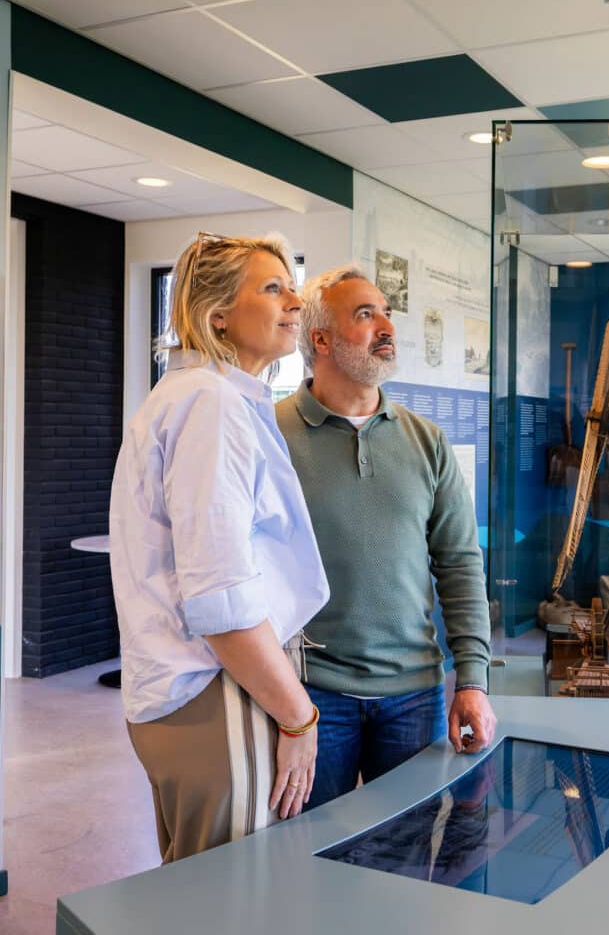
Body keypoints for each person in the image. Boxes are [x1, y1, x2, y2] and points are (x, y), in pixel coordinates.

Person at [109, 232, 329, 863]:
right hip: (215, 690)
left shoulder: (199, 398)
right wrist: (299, 717)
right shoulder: (211, 404)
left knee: (196, 896)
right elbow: (221, 601)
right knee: (236, 902)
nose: (295, 301)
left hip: (191, 690)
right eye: (272, 288)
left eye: (292, 285)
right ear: (217, 317)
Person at [275, 265, 496, 810]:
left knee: (403, 860)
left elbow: (461, 563)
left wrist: (472, 678)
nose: (386, 326)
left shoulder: (427, 441)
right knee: (306, 860)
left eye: (386, 312)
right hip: (310, 698)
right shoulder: (270, 433)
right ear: (321, 339)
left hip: (412, 694)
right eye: (365, 314)